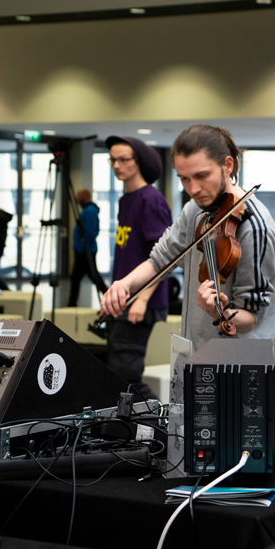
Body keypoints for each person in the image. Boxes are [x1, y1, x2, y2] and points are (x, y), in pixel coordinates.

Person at [101, 124, 275, 353]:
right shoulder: (195, 209)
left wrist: (221, 312)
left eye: (201, 176)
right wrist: (124, 285)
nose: (193, 189)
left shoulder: (254, 227)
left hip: (238, 364)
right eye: (184, 179)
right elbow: (160, 259)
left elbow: (251, 317)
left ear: (227, 165)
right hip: (194, 352)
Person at [104, 136, 173, 400]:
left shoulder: (150, 200)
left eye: (124, 159)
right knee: (118, 373)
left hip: (141, 303)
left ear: (140, 161)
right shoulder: (127, 199)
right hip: (124, 300)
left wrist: (142, 299)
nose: (116, 165)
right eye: (112, 159)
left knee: (126, 376)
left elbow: (163, 257)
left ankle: (160, 423)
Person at [68, 188, 108, 306]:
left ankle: (109, 298)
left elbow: (91, 233)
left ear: (84, 197)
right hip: (82, 250)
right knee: (80, 278)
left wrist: (82, 244)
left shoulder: (89, 212)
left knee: (93, 277)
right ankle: (71, 303)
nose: (76, 198)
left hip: (85, 251)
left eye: (78, 196)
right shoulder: (86, 211)